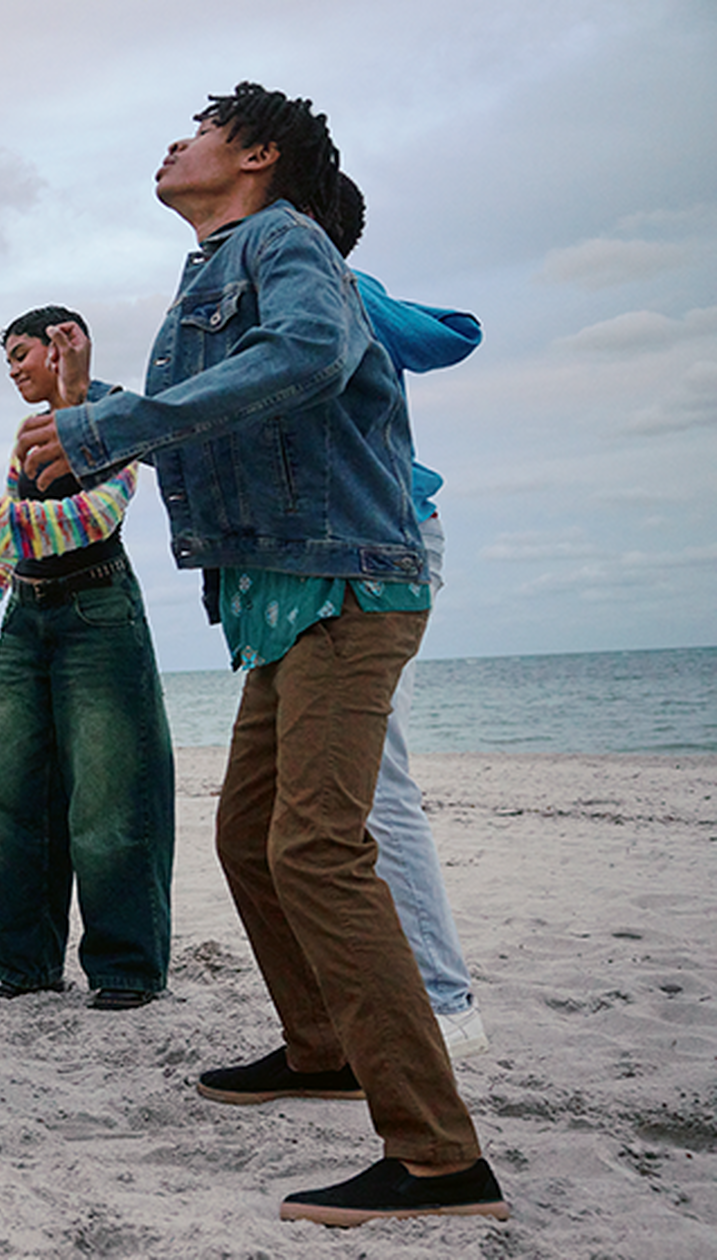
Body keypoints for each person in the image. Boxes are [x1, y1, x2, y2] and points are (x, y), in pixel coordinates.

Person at [16, 83, 508, 1225]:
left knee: (320, 849)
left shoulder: (287, 242)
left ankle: (441, 1158)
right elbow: (211, 416)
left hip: (347, 584)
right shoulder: (214, 269)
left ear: (258, 155)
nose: (175, 140)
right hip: (282, 596)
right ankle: (324, 1048)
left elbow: (310, 356)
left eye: (199, 129)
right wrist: (90, 416)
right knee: (250, 836)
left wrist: (109, 424)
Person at [0, 306, 175, 1010]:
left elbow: (92, 519)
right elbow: (11, 542)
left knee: (109, 797)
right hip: (27, 619)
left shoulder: (115, 416)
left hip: (99, 611)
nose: (13, 370)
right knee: (8, 798)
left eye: (21, 354)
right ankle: (26, 965)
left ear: (61, 346)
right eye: (7, 360)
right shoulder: (29, 435)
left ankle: (126, 971)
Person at [318, 173, 490, 1060]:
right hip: (324, 562)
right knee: (315, 798)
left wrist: (351, 287)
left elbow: (452, 333)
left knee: (375, 783)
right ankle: (359, 1007)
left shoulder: (338, 288)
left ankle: (444, 1004)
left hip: (390, 544)